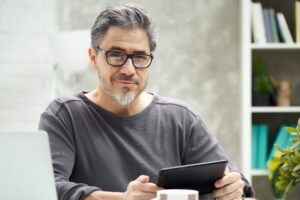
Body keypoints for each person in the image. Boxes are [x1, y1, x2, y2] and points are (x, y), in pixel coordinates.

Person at [39, 3, 254, 200]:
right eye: (116, 55)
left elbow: (240, 188)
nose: (128, 69)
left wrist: (234, 188)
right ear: (93, 57)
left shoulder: (181, 118)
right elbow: (46, 190)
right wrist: (123, 199)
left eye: (139, 57)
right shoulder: (64, 115)